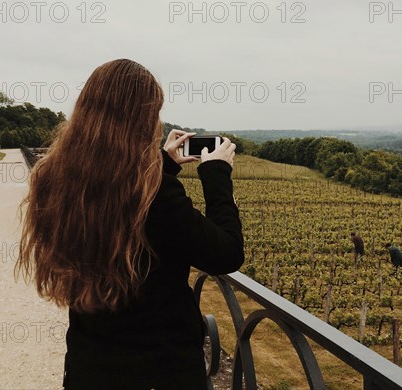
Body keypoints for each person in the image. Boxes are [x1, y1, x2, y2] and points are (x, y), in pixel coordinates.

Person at [14, 59, 244, 390]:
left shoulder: (55, 177)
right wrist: (216, 173)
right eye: (155, 112)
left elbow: (122, 208)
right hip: (159, 371)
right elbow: (226, 253)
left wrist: (164, 164)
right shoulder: (156, 194)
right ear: (141, 119)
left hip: (87, 367)